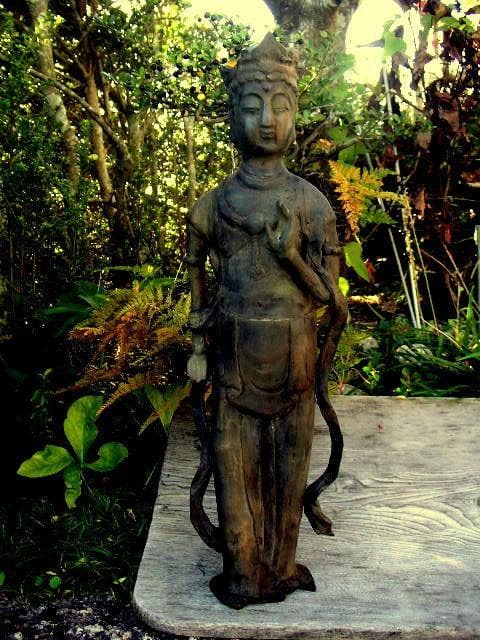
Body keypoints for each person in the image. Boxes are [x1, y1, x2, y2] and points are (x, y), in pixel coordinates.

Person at [185, 33, 347, 609]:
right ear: (233, 116)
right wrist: (198, 344)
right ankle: (242, 571)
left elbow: (332, 301)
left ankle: (279, 567)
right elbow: (198, 295)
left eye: (280, 107)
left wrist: (291, 257)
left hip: (295, 358)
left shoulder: (311, 204)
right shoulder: (211, 206)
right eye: (253, 107)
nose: (268, 120)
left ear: (295, 117)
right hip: (233, 358)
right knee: (234, 468)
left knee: (289, 467)